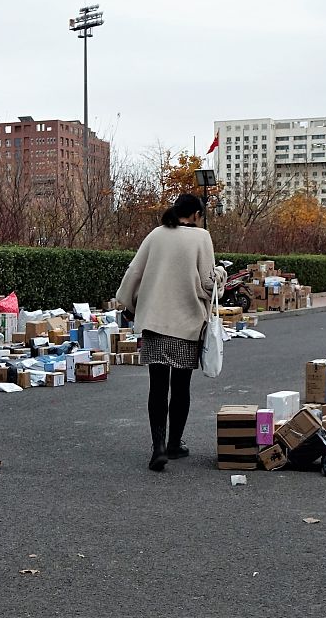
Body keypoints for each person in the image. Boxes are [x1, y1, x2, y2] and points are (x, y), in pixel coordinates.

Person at [116, 193, 223, 472]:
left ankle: (158, 447)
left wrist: (128, 305)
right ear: (197, 214)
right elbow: (210, 284)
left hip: (154, 323)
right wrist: (221, 276)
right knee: (181, 387)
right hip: (186, 324)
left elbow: (133, 273)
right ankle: (175, 444)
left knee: (157, 386)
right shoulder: (202, 238)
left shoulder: (156, 235)